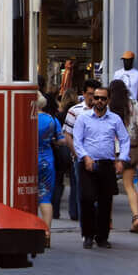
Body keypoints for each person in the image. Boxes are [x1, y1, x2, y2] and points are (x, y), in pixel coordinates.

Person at [73, 86, 130, 249]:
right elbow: (77, 141)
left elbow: (125, 139)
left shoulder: (115, 119)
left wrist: (121, 159)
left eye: (103, 98)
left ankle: (102, 237)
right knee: (87, 199)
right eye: (96, 98)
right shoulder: (83, 118)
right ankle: (88, 235)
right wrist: (85, 157)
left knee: (106, 202)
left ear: (108, 100)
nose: (99, 101)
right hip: (88, 164)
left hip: (106, 164)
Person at [108, 79, 138, 233]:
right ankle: (136, 216)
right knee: (129, 186)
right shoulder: (133, 103)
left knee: (107, 187)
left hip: (111, 150)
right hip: (130, 148)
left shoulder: (109, 105)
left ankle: (108, 220)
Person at [64, 80, 99, 222]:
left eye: (95, 95)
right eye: (90, 94)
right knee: (81, 190)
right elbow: (68, 135)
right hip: (80, 157)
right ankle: (82, 219)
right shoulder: (75, 111)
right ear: (83, 94)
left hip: (99, 157)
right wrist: (78, 154)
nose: (93, 98)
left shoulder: (103, 111)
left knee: (97, 191)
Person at [36, 92, 64, 245]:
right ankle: (46, 233)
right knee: (45, 198)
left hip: (28, 160)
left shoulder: (26, 118)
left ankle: (30, 232)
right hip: (47, 159)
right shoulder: (51, 119)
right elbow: (61, 140)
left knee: (29, 197)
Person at [51, 91, 75, 220]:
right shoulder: (76, 114)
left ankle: (55, 211)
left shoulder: (58, 116)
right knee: (74, 181)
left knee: (58, 181)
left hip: (60, 151)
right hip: (73, 149)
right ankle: (74, 211)